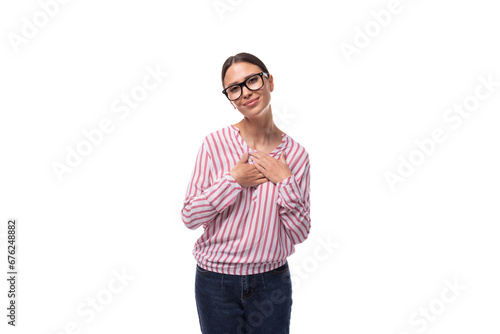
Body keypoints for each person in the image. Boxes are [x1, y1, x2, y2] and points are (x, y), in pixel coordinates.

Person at [181, 52, 311, 334]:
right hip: (215, 282)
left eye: (252, 81)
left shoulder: (297, 155)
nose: (246, 93)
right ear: (230, 98)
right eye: (235, 88)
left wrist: (285, 181)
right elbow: (190, 217)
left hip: (272, 283)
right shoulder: (214, 144)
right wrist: (233, 181)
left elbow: (300, 233)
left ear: (270, 82)